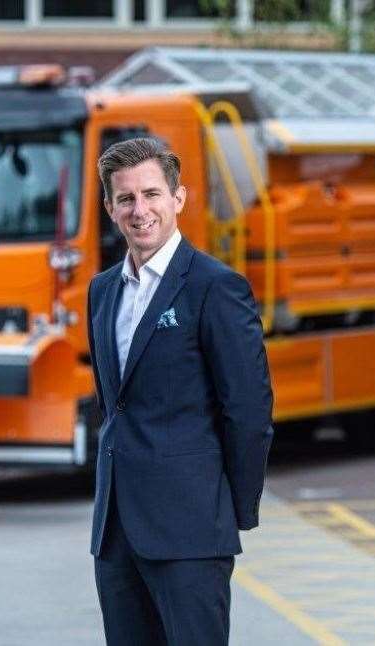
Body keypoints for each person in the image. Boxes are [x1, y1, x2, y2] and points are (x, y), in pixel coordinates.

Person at [87, 137, 274, 645]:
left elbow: (249, 411)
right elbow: (114, 404)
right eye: (125, 199)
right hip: (116, 532)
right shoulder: (101, 290)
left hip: (191, 528)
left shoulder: (216, 286)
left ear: (179, 199)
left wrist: (227, 510)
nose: (139, 210)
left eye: (151, 194)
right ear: (109, 207)